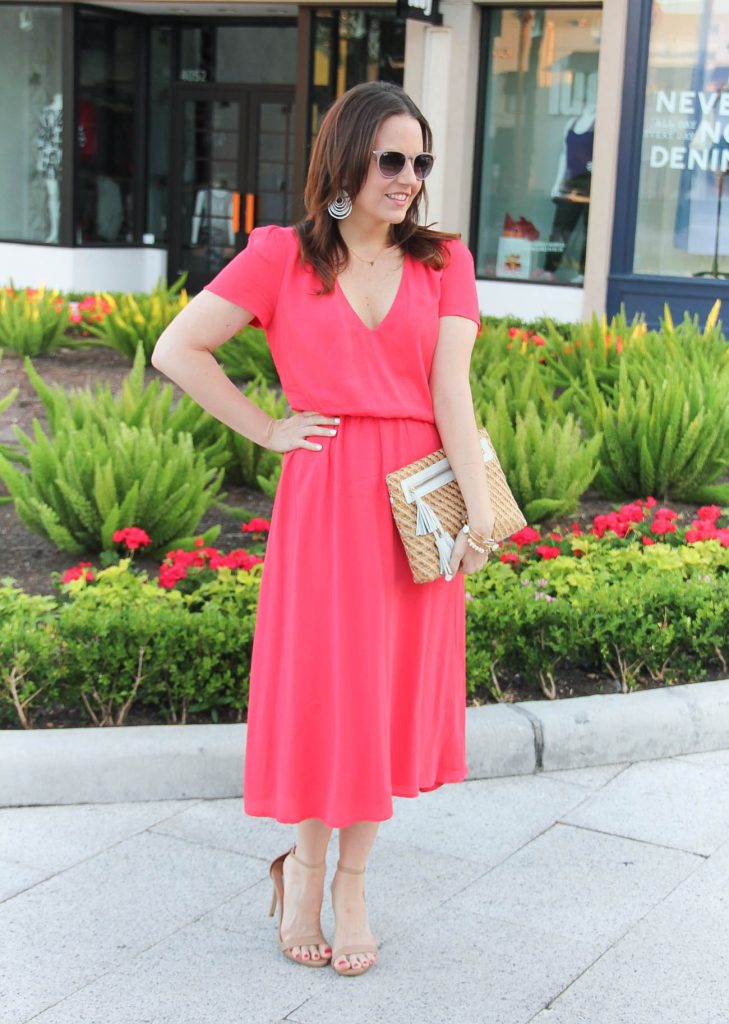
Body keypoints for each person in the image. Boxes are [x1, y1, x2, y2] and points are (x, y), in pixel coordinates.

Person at [151, 80, 495, 977]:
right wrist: (267, 429)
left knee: (380, 695)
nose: (410, 177)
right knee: (325, 691)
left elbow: (450, 393)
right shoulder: (280, 256)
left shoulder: (442, 260)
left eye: (420, 161)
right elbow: (176, 348)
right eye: (392, 158)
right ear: (345, 161)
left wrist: (481, 509)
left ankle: (352, 882)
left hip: (415, 494)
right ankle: (301, 871)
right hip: (324, 495)